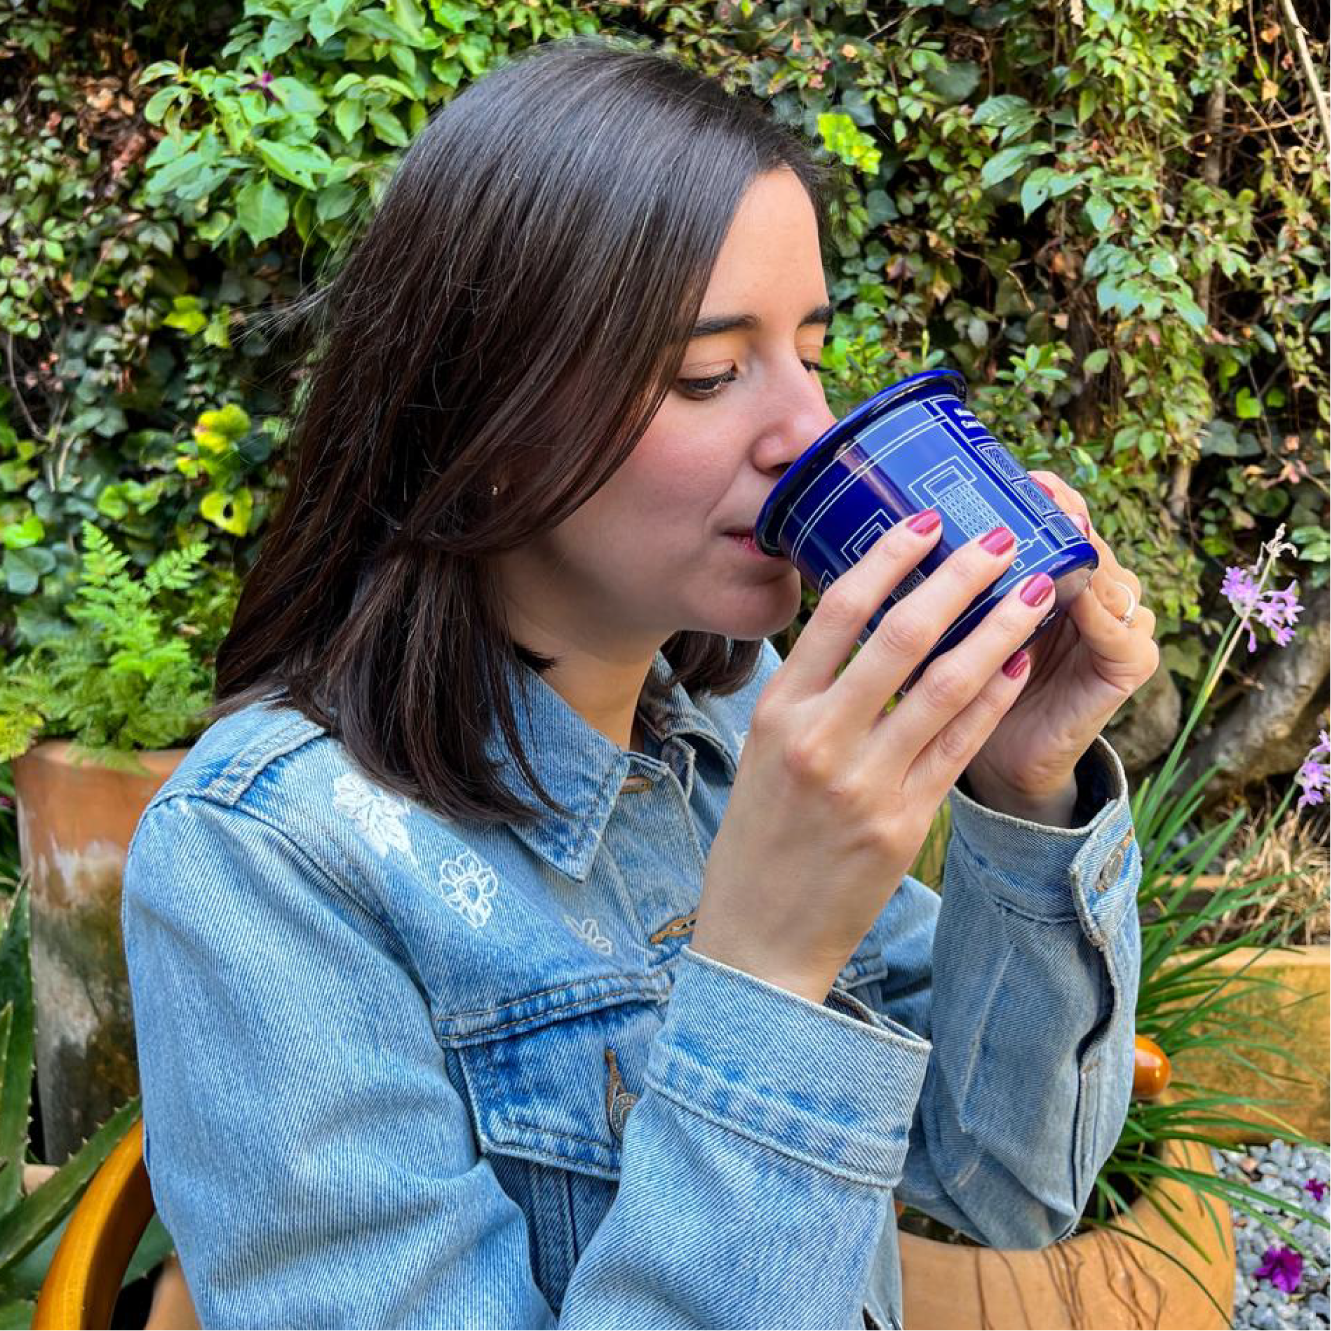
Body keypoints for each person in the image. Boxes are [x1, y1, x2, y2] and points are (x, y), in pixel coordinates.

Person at [122, 34, 1158, 1331]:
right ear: (485, 419)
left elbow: (1006, 1176)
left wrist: (1023, 792)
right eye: (707, 374)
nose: (803, 436)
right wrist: (767, 971)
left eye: (811, 351)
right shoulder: (270, 859)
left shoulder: (718, 721)